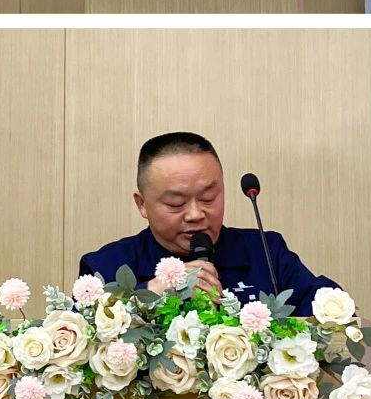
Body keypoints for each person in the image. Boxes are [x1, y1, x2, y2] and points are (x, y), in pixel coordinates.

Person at [79, 131, 337, 314]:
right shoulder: (106, 266)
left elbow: (327, 308)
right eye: (176, 203)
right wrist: (153, 292)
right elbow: (81, 334)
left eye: (208, 198)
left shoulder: (265, 252)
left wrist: (336, 309)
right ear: (142, 204)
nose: (195, 214)